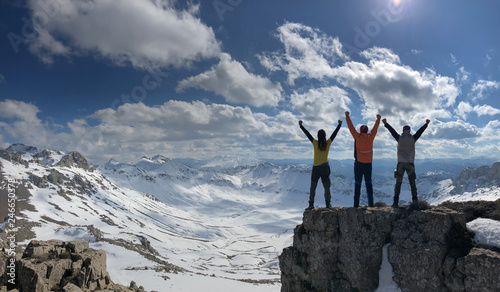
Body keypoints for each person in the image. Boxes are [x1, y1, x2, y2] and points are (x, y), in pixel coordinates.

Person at [382, 118, 430, 208]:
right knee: (412, 183)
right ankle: (415, 202)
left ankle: (395, 202)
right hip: (410, 163)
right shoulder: (413, 139)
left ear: (403, 131)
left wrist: (386, 124)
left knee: (398, 183)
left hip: (400, 163)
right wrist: (426, 124)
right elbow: (420, 132)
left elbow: (392, 132)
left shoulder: (399, 138)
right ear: (409, 131)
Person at [299, 119, 342, 210]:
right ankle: (328, 204)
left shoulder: (315, 143)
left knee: (313, 187)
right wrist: (339, 125)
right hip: (325, 168)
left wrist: (301, 126)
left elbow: (308, 135)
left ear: (318, 136)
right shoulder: (328, 143)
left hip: (316, 168)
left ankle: (311, 204)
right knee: (327, 187)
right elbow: (334, 134)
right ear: (325, 136)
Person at [345, 111, 381, 207]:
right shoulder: (370, 137)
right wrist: (378, 119)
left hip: (359, 164)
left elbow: (350, 127)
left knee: (358, 184)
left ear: (361, 131)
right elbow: (375, 129)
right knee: (368, 184)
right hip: (368, 164)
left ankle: (356, 205)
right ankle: (371, 204)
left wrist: (347, 116)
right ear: (367, 131)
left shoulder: (357, 136)